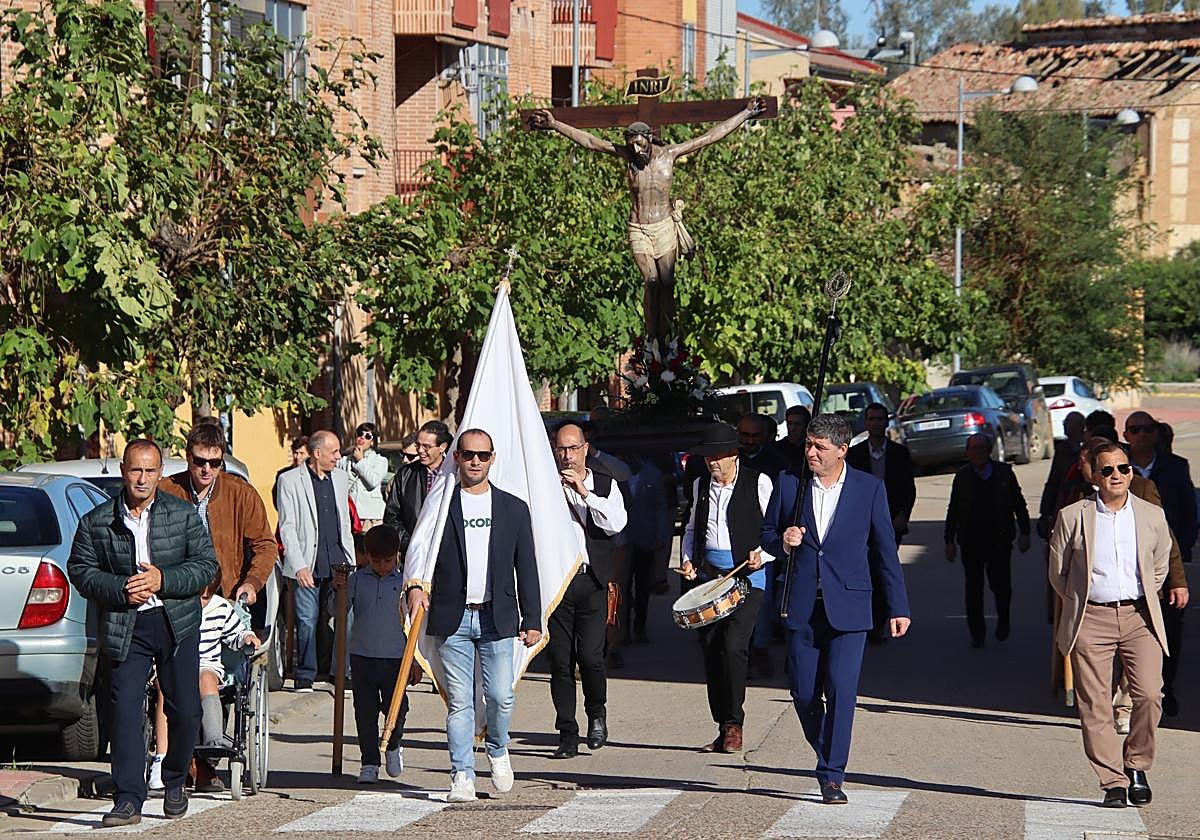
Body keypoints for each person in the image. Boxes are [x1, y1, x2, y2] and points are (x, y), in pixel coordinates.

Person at [760, 414, 911, 805]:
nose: (809, 452)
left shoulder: (868, 489)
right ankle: (826, 747)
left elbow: (884, 553)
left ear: (842, 450)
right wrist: (784, 541)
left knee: (842, 690)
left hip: (850, 606)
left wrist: (898, 606)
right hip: (801, 603)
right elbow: (766, 538)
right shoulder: (789, 484)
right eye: (808, 444)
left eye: (819, 447)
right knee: (804, 693)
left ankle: (831, 775)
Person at [66, 440, 218, 827]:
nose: (142, 479)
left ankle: (174, 781)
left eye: (150, 471)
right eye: (136, 470)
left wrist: (162, 579)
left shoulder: (182, 516)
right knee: (125, 711)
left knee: (186, 708)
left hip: (175, 621)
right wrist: (120, 588)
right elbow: (80, 570)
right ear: (123, 471)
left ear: (161, 472)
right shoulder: (97, 520)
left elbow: (205, 566)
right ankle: (129, 798)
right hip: (125, 623)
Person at [529, 98, 766, 340]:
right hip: (639, 228)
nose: (636, 151)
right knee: (651, 281)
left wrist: (745, 114)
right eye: (631, 146)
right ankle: (652, 339)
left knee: (667, 284)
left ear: (650, 139)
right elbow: (590, 141)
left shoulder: (670, 154)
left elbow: (710, 136)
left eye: (640, 145)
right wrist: (555, 124)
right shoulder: (627, 156)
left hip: (663, 227)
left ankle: (668, 340)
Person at [405, 430, 542, 802]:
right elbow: (419, 551)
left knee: (500, 696)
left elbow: (526, 567)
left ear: (492, 458)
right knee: (460, 701)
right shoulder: (440, 507)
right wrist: (415, 585)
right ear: (457, 459)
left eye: (482, 455)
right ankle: (461, 775)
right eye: (468, 455)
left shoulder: (513, 509)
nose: (475, 461)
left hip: (497, 617)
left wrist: (532, 619)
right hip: (453, 617)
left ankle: (497, 747)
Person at [1049, 441, 1172, 808]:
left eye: (1123, 468)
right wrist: (1082, 601)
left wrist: (1145, 594)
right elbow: (1059, 572)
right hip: (1091, 617)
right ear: (1094, 476)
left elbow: (1160, 563)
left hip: (1139, 617)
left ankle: (1136, 763)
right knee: (1095, 704)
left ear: (1131, 473)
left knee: (1149, 695)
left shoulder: (1151, 515)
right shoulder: (1074, 516)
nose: (1116, 476)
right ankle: (1112, 781)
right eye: (1107, 470)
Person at [678, 423, 774, 754]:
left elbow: (775, 529)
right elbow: (691, 528)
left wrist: (762, 554)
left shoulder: (758, 482)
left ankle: (734, 725)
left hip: (748, 579)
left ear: (734, 454)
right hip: (709, 579)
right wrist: (688, 558)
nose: (712, 463)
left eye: (718, 456)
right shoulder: (700, 485)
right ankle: (722, 725)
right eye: (707, 457)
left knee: (734, 647)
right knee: (712, 651)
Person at [547, 423, 628, 758]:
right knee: (560, 662)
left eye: (572, 448)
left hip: (592, 579)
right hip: (557, 583)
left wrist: (585, 493)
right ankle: (567, 732)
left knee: (591, 657)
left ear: (585, 449)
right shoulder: (545, 485)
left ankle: (597, 713)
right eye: (561, 449)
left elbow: (616, 524)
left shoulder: (604, 483)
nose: (567, 456)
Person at [333, 524, 420, 784]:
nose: (382, 565)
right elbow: (337, 611)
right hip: (363, 656)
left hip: (396, 657)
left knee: (397, 707)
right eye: (376, 560)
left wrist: (415, 659)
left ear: (397, 557)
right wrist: (339, 590)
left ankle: (393, 743)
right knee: (365, 712)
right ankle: (369, 762)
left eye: (388, 560)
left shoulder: (406, 584)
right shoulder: (357, 580)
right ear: (366, 556)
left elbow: (416, 625)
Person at [1123, 411, 1196, 717]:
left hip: (1166, 564)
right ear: (1126, 435)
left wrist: (1182, 556)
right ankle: (1131, 695)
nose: (1141, 434)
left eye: (1147, 429)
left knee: (1170, 629)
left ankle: (1167, 688)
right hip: (1125, 564)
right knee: (1130, 630)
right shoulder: (1115, 466)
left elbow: (1189, 514)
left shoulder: (1175, 468)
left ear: (1155, 434)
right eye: (1135, 429)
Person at [276, 430, 355, 692]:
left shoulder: (341, 478)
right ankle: (305, 675)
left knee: (342, 617)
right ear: (317, 453)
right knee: (307, 619)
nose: (338, 456)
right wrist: (298, 565)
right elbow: (287, 526)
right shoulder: (290, 480)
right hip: (308, 562)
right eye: (333, 452)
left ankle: (339, 672)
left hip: (338, 561)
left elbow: (344, 521)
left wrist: (350, 558)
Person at [944, 433, 1031, 647]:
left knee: (1001, 585)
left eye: (982, 448)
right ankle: (977, 633)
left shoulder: (1004, 473)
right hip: (970, 541)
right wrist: (949, 540)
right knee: (973, 588)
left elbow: (1018, 504)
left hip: (999, 540)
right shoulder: (962, 476)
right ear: (968, 452)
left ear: (989, 450)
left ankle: (1003, 620)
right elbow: (953, 508)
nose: (978, 453)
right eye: (974, 449)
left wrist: (1025, 532)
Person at [846, 402, 917, 643]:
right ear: (865, 423)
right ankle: (870, 622)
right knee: (866, 570)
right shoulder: (854, 455)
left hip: (890, 522)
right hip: (862, 525)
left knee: (883, 569)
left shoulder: (899, 453)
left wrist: (902, 515)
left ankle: (881, 619)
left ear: (886, 422)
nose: (876, 423)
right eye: (871, 419)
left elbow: (909, 488)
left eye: (879, 419)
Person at [622, 454, 672, 643]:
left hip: (646, 538)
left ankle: (640, 627)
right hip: (623, 540)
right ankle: (623, 629)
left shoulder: (653, 475)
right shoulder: (618, 475)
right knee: (623, 587)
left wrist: (661, 535)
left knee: (643, 586)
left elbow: (660, 506)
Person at [383, 420, 452, 556]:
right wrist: (411, 545)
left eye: (426, 446)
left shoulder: (453, 476)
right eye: (418, 445)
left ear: (442, 447)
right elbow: (392, 517)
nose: (420, 451)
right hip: (413, 556)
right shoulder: (405, 475)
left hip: (447, 555)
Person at [1038, 411, 1086, 539]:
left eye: (1069, 423)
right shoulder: (1063, 449)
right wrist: (1045, 512)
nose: (1065, 426)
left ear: (1080, 426)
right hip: (1062, 499)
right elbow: (1054, 480)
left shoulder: (1087, 448)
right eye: (1065, 422)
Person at [338, 422, 390, 532]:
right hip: (349, 513)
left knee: (370, 548)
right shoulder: (344, 460)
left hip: (370, 516)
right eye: (360, 434)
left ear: (372, 441)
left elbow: (373, 482)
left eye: (368, 436)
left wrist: (360, 461)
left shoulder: (380, 461)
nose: (362, 438)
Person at [273, 436, 310, 511]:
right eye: (295, 453)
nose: (298, 457)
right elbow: (277, 499)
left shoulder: (313, 475)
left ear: (309, 455)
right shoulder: (283, 475)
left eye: (302, 453)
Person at [776, 406, 812, 473]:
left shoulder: (812, 449)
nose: (792, 428)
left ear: (806, 426)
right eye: (789, 423)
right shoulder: (776, 449)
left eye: (797, 424)